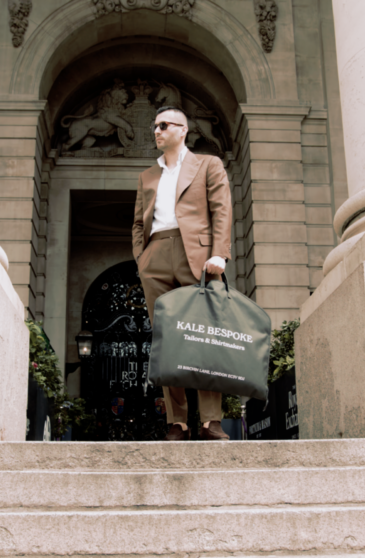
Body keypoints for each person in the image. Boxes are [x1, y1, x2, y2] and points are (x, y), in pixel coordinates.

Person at [132, 106, 232, 441]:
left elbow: (221, 210)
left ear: (183, 130)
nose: (156, 131)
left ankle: (210, 421)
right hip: (156, 254)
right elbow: (138, 222)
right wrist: (141, 258)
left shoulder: (208, 164)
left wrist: (219, 252)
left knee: (205, 336)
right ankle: (177, 422)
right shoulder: (148, 176)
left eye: (163, 125)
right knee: (167, 341)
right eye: (154, 126)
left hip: (199, 257)